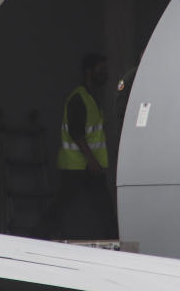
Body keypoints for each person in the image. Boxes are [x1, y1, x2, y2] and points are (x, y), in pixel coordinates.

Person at [33, 54, 119, 240]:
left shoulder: (91, 99)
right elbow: (77, 133)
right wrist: (92, 161)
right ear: (88, 72)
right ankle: (38, 237)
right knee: (62, 207)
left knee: (102, 208)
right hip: (78, 167)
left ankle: (113, 239)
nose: (104, 74)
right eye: (100, 70)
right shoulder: (79, 99)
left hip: (88, 166)